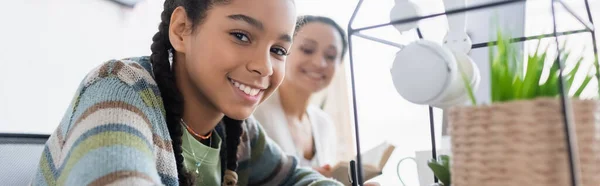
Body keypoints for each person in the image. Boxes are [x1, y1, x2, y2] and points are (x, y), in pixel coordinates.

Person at [30, 1, 344, 185]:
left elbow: (296, 179)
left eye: (278, 50)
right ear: (181, 30)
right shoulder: (119, 90)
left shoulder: (238, 131)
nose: (264, 67)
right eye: (241, 35)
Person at [253, 15, 348, 178]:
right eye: (307, 50)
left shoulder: (324, 124)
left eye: (331, 56)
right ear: (283, 50)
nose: (319, 63)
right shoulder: (253, 111)